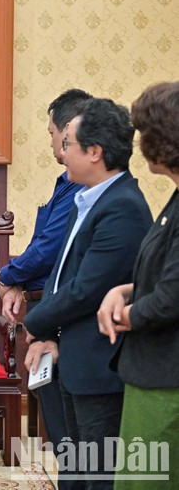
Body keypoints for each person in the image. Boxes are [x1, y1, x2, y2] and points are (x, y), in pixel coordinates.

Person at [25, 98, 153, 489]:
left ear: (94, 152)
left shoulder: (122, 207)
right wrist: (47, 331)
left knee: (98, 475)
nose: (62, 154)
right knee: (75, 470)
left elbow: (87, 289)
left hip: (100, 365)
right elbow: (60, 275)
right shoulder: (85, 199)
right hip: (73, 357)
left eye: (69, 145)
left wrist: (34, 321)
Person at [0, 89, 89, 489]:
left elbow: (48, 250)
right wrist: (19, 282)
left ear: (69, 132)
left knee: (72, 435)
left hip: (61, 321)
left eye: (53, 133)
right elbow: (43, 244)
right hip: (45, 311)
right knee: (63, 430)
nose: (52, 142)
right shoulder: (66, 183)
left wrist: (8, 276)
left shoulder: (82, 189)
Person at [97, 82, 179, 489]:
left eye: (145, 132)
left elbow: (170, 299)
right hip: (153, 371)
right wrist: (125, 291)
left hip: (166, 378)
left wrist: (123, 316)